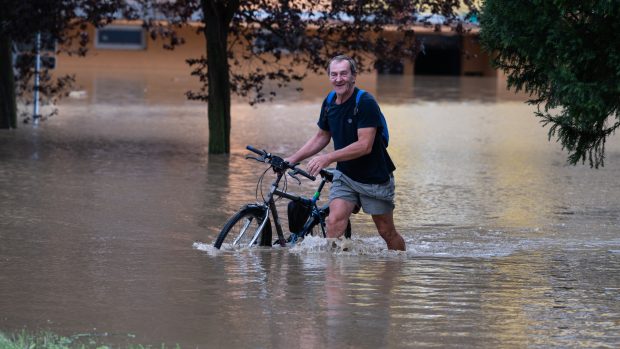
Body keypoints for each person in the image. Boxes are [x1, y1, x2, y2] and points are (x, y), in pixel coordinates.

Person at [285, 55, 406, 251]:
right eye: (334, 74)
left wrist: (328, 157)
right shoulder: (330, 101)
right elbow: (322, 137)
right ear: (329, 77)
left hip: (374, 178)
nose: (338, 79)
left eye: (343, 74)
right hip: (346, 175)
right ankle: (333, 277)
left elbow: (364, 145)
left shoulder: (365, 102)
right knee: (333, 222)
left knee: (386, 232)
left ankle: (397, 267)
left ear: (353, 76)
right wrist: (292, 159)